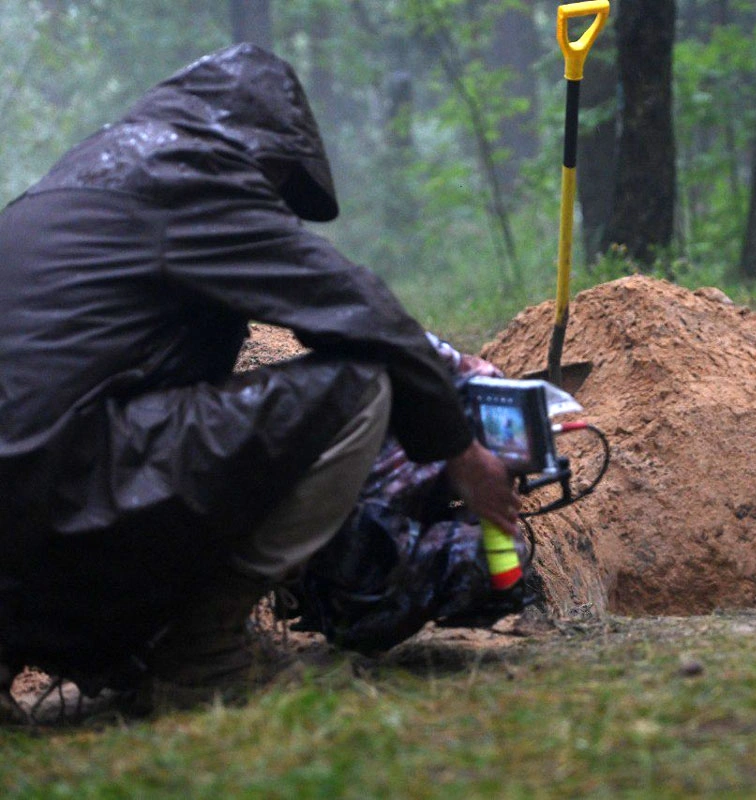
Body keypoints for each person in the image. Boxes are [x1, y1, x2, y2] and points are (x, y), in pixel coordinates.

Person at [0, 44, 519, 711]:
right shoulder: (190, 173)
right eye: (279, 184)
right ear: (259, 142)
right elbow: (353, 307)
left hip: (28, 501)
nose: (278, 207)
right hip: (61, 489)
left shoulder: (85, 179)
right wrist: (460, 450)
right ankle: (203, 652)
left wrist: (444, 360)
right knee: (358, 387)